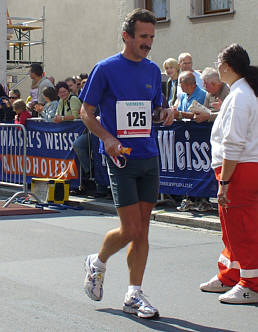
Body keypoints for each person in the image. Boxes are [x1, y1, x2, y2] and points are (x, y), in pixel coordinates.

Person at [79, 8, 173, 318]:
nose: (148, 43)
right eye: (143, 37)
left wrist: (166, 113)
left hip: (149, 156)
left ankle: (134, 294)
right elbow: (86, 112)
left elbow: (155, 111)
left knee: (143, 229)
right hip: (120, 158)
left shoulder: (152, 70)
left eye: (152, 37)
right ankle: (98, 260)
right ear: (126, 36)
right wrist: (107, 138)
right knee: (131, 228)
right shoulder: (105, 69)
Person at [200, 44, 258, 304]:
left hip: (239, 170)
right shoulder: (241, 92)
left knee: (243, 229)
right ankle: (230, 274)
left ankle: (251, 283)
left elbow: (234, 143)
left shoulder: (240, 96)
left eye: (218, 62)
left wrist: (225, 182)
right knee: (231, 228)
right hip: (239, 168)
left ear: (225, 66)